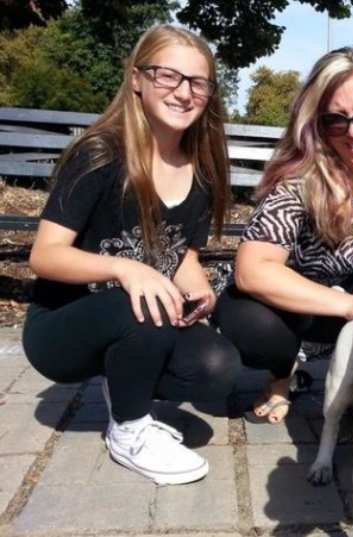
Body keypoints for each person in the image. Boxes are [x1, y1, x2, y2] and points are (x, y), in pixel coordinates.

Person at [22, 25, 242, 485]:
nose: (183, 92)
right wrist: (126, 269)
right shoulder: (101, 155)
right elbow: (45, 255)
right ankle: (128, 429)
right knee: (139, 300)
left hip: (142, 318)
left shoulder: (200, 170)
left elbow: (181, 254)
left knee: (217, 368)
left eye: (197, 82)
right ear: (137, 79)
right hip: (63, 329)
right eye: (167, 76)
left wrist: (199, 288)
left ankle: (125, 383)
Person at [213, 45, 353, 425]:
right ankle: (279, 376)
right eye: (336, 120)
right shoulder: (300, 179)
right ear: (317, 125)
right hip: (293, 308)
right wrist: (350, 306)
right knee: (253, 325)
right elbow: (252, 270)